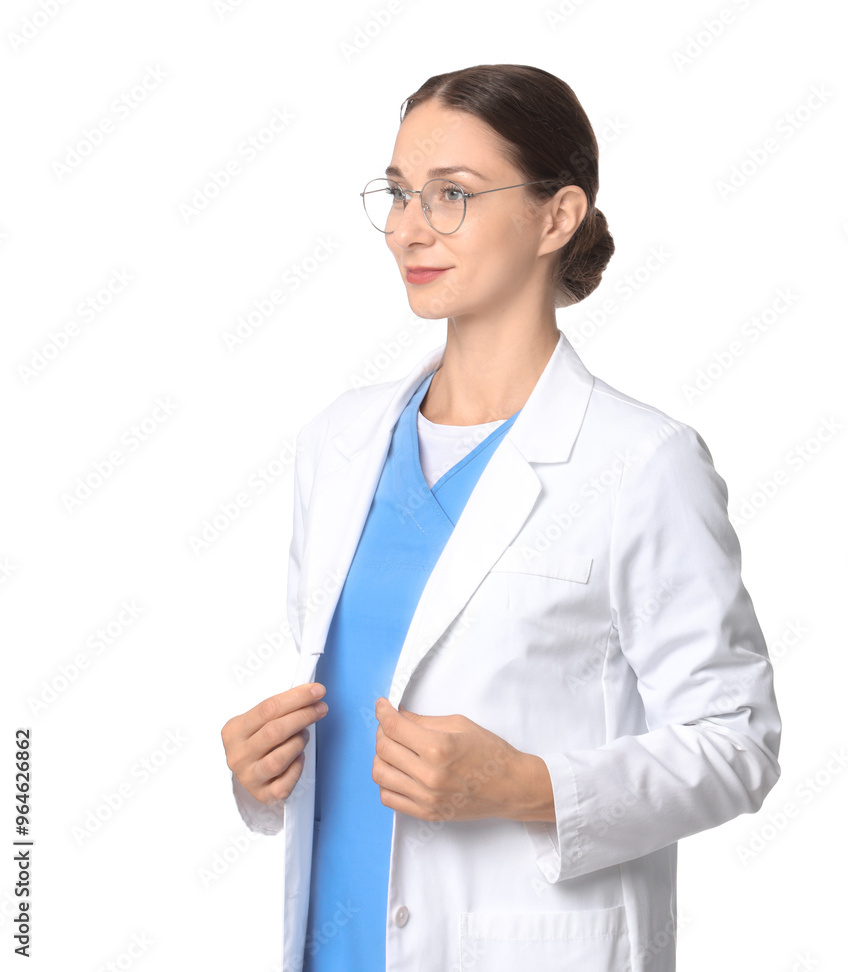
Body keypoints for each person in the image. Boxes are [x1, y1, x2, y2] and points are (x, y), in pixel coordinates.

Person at [221, 63, 781, 972]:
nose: (409, 228)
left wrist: (531, 787)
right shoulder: (339, 443)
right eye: (400, 193)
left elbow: (737, 742)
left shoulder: (641, 462)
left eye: (453, 195)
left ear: (557, 217)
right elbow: (350, 708)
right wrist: (263, 775)